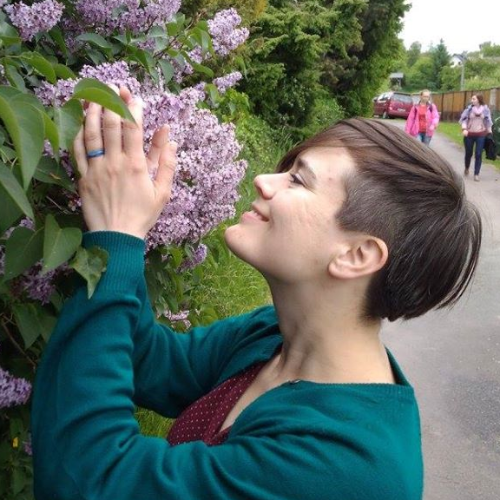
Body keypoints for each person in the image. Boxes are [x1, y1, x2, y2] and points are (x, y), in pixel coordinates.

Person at [31, 87, 482, 500]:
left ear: (357, 255)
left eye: (298, 181)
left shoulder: (346, 467)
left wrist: (115, 235)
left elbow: (89, 477)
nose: (265, 180)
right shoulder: (273, 336)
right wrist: (125, 228)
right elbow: (149, 361)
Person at [459, 93, 493, 181]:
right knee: (468, 153)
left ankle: (476, 174)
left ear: (479, 99)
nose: (472, 100)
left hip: (481, 135)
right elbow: (463, 120)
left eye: (474, 99)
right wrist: (464, 129)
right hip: (469, 134)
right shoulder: (469, 109)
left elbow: (488, 121)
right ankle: (467, 167)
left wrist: (489, 132)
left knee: (478, 154)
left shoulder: (485, 109)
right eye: (472, 99)